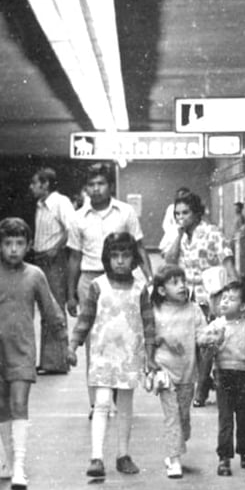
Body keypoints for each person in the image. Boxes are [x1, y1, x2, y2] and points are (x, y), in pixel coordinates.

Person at [0, 217, 66, 490]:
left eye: (20, 244)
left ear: (29, 245)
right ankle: (9, 460)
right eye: (8, 243)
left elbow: (51, 310)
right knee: (1, 406)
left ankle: (19, 466)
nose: (13, 249)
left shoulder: (35, 275)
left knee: (19, 404)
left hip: (22, 350)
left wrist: (64, 342)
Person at [67, 232, 155, 480]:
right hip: (102, 355)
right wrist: (73, 345)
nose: (119, 261)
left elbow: (149, 324)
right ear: (107, 259)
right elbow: (85, 320)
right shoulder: (98, 286)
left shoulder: (140, 290)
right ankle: (97, 457)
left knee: (125, 406)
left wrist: (150, 353)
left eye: (125, 256)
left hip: (129, 356)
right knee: (102, 402)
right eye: (114, 256)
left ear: (133, 259)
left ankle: (123, 454)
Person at [66, 163, 151, 416]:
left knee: (123, 337)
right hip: (90, 279)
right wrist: (70, 293)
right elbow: (73, 257)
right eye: (91, 185)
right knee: (94, 342)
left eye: (100, 183)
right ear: (86, 188)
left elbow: (140, 247)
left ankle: (119, 395)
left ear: (110, 186)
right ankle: (98, 404)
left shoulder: (125, 212)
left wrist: (150, 279)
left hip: (122, 279)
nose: (96, 189)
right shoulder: (77, 217)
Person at [163, 192, 238, 407]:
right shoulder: (182, 237)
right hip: (188, 296)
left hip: (212, 295)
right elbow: (169, 261)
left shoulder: (212, 233)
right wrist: (178, 234)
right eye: (177, 214)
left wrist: (236, 294)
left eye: (185, 213)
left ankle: (202, 388)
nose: (181, 218)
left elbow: (228, 262)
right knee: (194, 343)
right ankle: (205, 381)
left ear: (196, 213)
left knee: (208, 342)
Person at [197, 281, 245, 476]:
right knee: (225, 417)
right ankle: (224, 457)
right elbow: (201, 339)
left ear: (244, 306)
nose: (225, 301)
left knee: (244, 415)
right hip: (223, 374)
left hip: (243, 374)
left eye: (232, 299)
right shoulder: (217, 324)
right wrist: (212, 339)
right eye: (224, 298)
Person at [147, 264, 207, 478]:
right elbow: (147, 336)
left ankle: (176, 446)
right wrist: (162, 339)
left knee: (183, 418)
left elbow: (202, 334)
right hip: (164, 370)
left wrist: (210, 338)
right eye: (174, 283)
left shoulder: (193, 309)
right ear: (162, 290)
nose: (182, 286)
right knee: (172, 416)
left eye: (183, 281)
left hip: (187, 373)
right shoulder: (155, 311)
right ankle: (174, 460)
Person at [29, 167, 76, 374]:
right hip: (41, 259)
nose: (31, 187)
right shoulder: (40, 205)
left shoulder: (60, 202)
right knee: (45, 310)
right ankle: (49, 361)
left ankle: (58, 362)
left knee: (54, 308)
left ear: (45, 184)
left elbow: (71, 229)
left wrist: (55, 249)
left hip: (54, 261)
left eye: (34, 183)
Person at [157, 186, 192, 254]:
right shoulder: (171, 208)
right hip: (173, 236)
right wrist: (174, 232)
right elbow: (165, 224)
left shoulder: (192, 208)